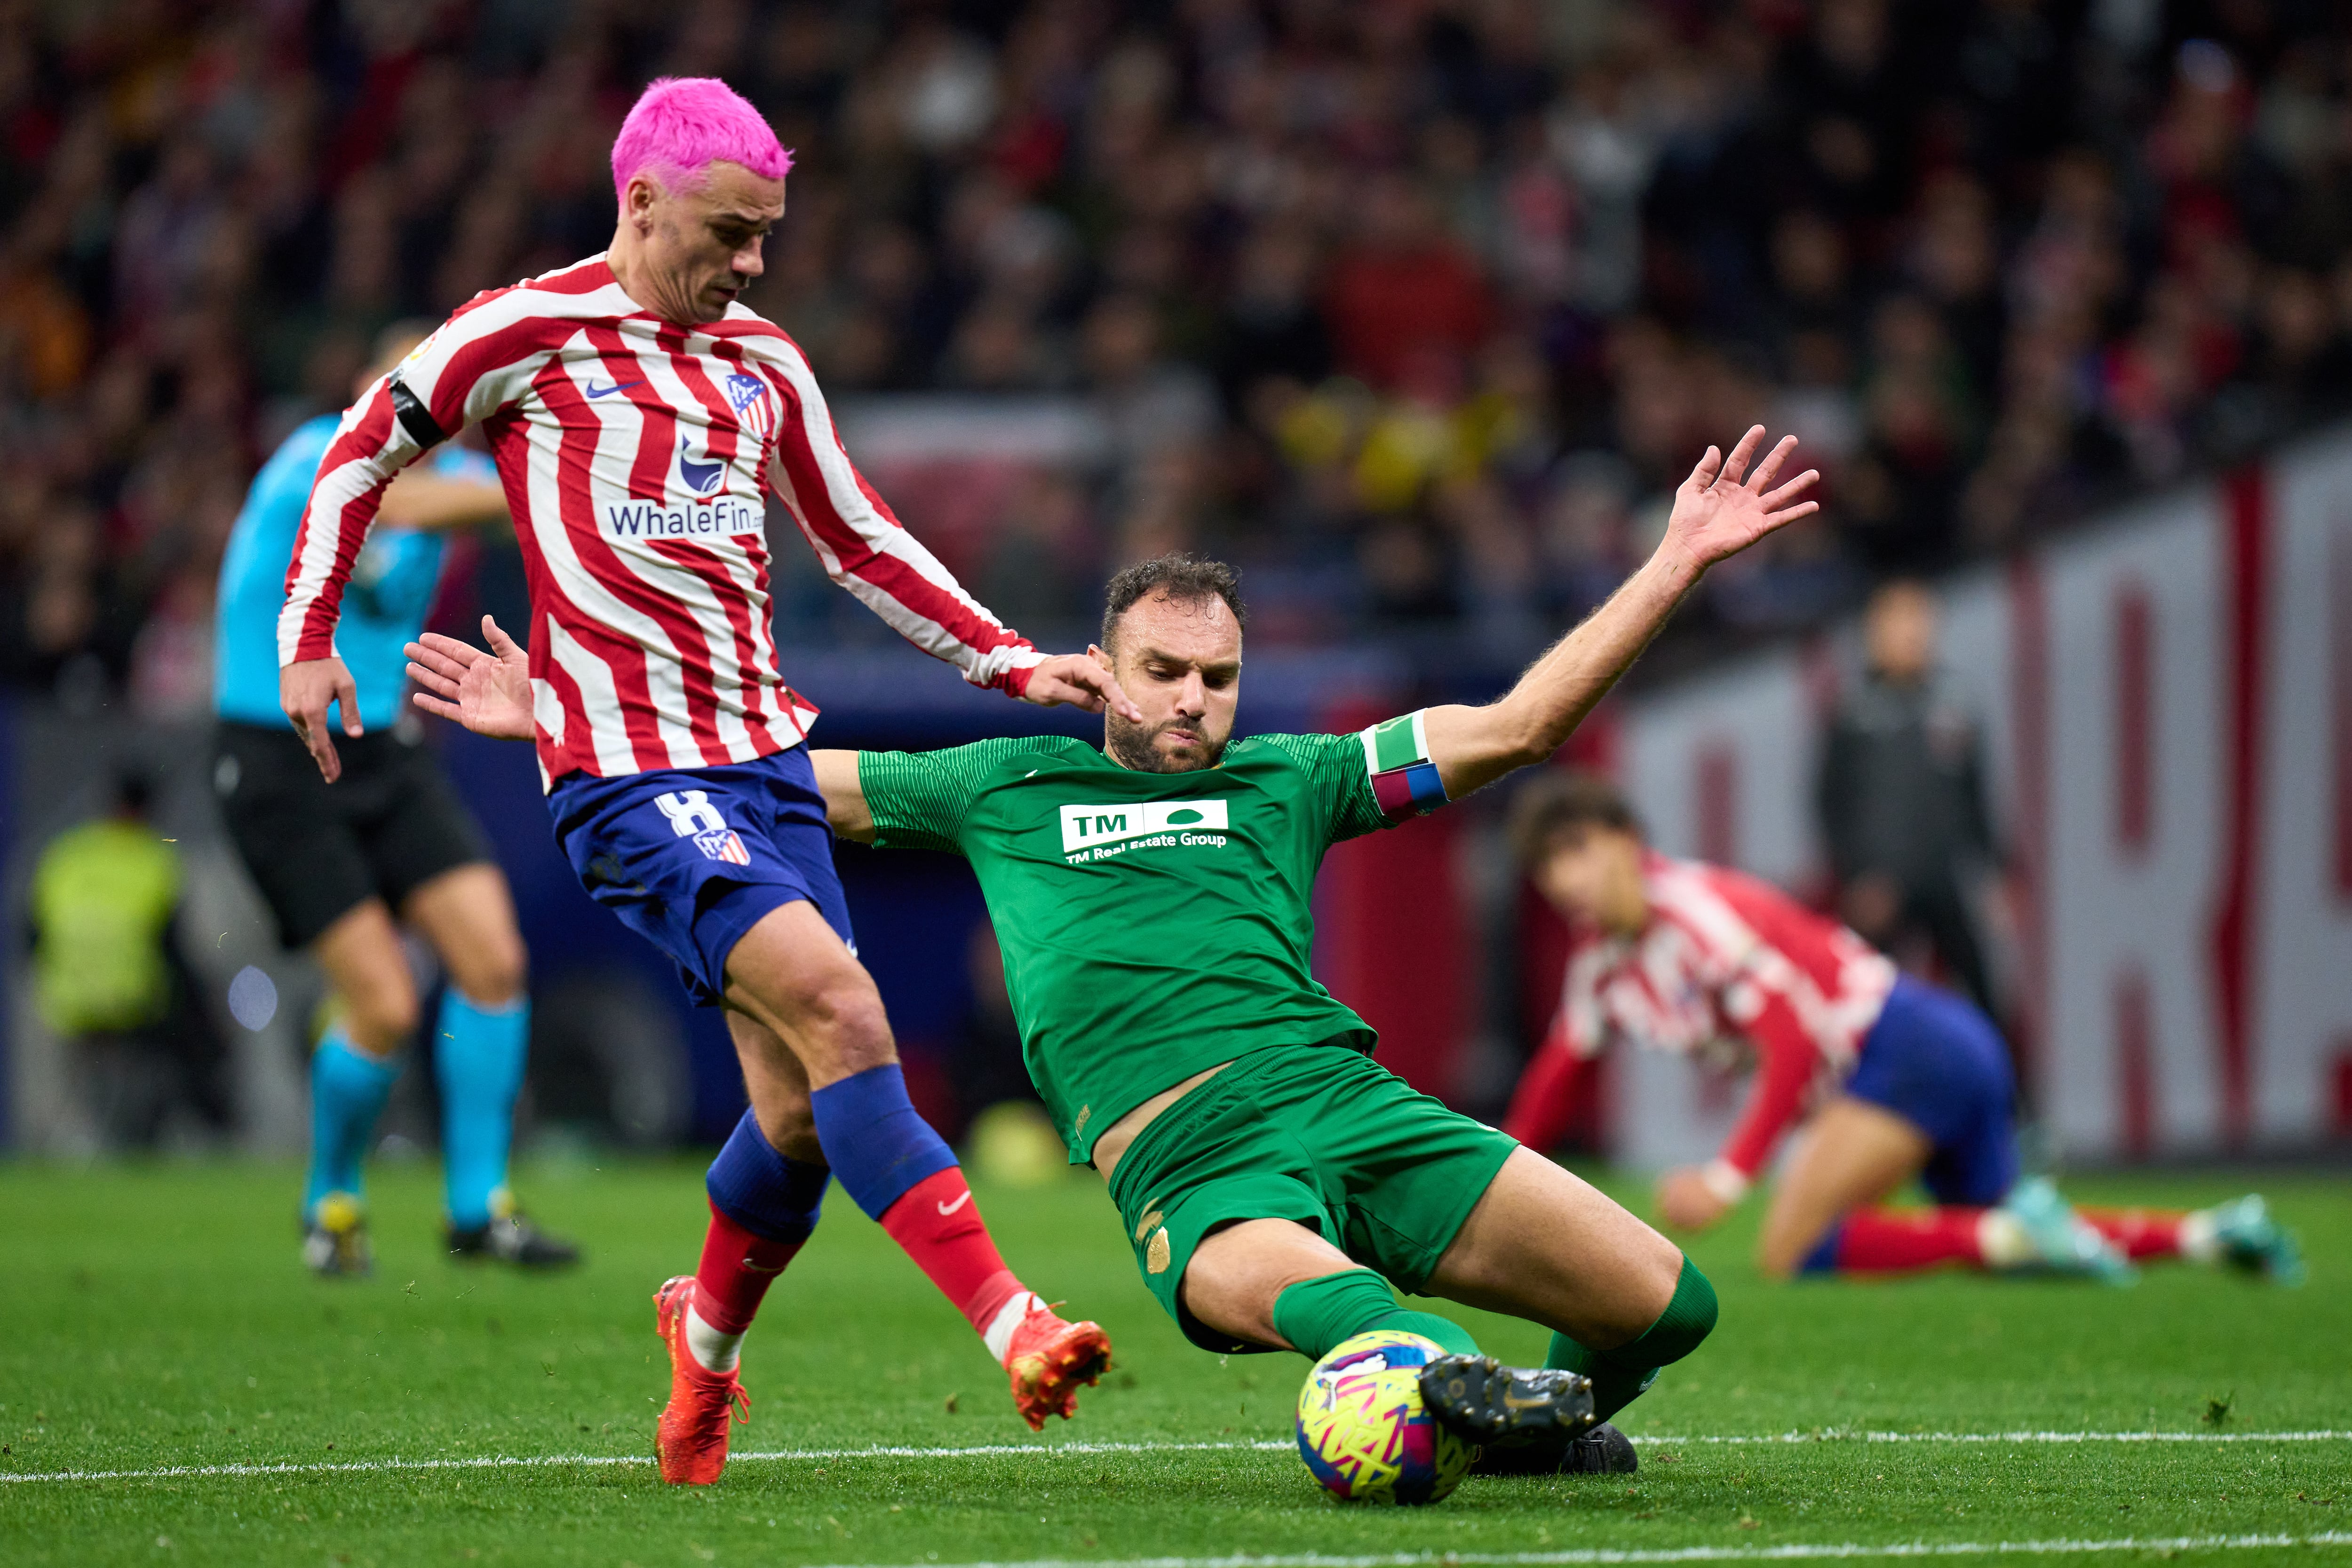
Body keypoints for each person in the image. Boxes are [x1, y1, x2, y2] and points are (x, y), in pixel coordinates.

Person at [410, 423, 1828, 1477]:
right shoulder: (1005, 782)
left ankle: (1524, 1430)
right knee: (1361, 1315)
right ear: (1104, 667)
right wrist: (564, 718)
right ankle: (1445, 1392)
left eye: (1216, 676)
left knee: (1669, 1305)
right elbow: (769, 774)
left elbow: (1517, 724)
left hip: (1358, 1109)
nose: (1194, 701)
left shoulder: (1295, 777)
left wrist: (1671, 563)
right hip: (1198, 1168)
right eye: (1164, 671)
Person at [278, 78, 1130, 1484]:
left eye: (766, 238)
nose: (749, 263)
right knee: (849, 1009)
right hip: (624, 773)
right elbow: (361, 446)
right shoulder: (524, 333)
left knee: (796, 1112)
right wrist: (305, 641)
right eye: (729, 234)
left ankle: (705, 1345)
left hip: (765, 763)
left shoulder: (764, 362)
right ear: (640, 203)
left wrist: (1007, 660)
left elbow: (856, 539)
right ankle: (1014, 1321)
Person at [1499, 773, 2305, 1288]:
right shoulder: (1604, 961)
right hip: (1933, 1044)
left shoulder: (1695, 914)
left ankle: (2019, 1229)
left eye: (1578, 851)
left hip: (1907, 1047)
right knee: (2003, 1238)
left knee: (1791, 1244)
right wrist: (1491, 1179)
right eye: (1548, 865)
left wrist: (1729, 1175)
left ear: (1629, 844)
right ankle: (2209, 1233)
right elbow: (1558, 1075)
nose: (1566, 878)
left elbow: (1798, 1041)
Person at [214, 324, 572, 1277]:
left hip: (387, 751)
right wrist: (545, 482)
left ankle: (478, 1208)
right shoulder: (316, 456)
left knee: (493, 958)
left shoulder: (437, 493)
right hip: (277, 751)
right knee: (383, 999)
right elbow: (403, 496)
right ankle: (330, 1202)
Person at [1816, 579, 2000, 1019]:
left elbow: (1975, 796)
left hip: (1945, 877)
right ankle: (1858, 1089)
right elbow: (1830, 804)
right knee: (1862, 1003)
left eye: (1920, 621)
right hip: (1881, 884)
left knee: (1983, 996)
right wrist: (1857, 877)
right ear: (1873, 633)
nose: (1912, 634)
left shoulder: (1954, 703)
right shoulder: (1855, 713)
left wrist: (1995, 868)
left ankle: (2007, 1088)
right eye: (1898, 622)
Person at [30, 767, 227, 1147]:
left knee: (86, 1088)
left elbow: (33, 935)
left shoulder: (66, 855)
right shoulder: (154, 860)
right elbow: (172, 948)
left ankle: (70, 1143)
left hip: (67, 1002)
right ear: (148, 809)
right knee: (188, 1050)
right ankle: (199, 1133)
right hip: (133, 1002)